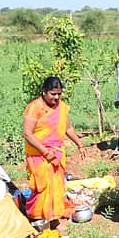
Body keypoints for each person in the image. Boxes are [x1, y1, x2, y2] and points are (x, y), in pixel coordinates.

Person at [23, 77, 86, 221]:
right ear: (44, 92)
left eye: (59, 94)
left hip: (56, 153)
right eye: (53, 94)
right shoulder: (34, 108)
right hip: (39, 155)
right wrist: (45, 152)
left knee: (57, 185)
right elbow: (28, 133)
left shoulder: (62, 107)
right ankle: (38, 217)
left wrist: (79, 144)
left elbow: (67, 127)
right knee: (42, 186)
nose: (56, 97)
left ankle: (54, 216)